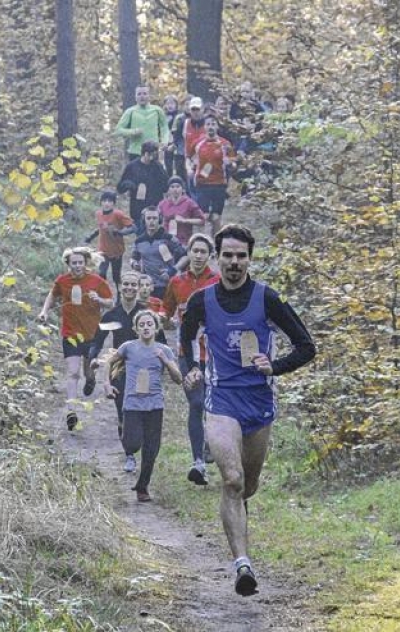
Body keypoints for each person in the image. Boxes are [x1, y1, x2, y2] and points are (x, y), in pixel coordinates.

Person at [180, 224, 315, 596]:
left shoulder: (267, 298)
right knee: (232, 479)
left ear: (249, 259)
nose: (234, 262)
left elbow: (306, 347)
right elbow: (185, 337)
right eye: (228, 255)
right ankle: (243, 565)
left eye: (241, 256)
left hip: (259, 403)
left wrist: (276, 366)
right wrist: (192, 367)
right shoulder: (201, 300)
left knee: (248, 486)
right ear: (217, 258)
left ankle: (237, 521)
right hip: (221, 400)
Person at [101, 309, 182, 502]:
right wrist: (106, 384)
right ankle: (124, 432)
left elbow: (178, 378)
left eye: (149, 324)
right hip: (132, 405)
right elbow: (109, 363)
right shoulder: (129, 347)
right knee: (132, 443)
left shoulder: (164, 350)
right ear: (136, 329)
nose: (146, 328)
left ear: (156, 328)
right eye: (142, 325)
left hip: (155, 405)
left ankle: (142, 487)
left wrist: (165, 361)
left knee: (151, 450)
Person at [162, 233, 220, 485]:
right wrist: (163, 318)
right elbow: (166, 309)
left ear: (210, 256)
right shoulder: (176, 282)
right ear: (188, 253)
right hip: (187, 353)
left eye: (202, 252)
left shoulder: (218, 281)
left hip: (216, 354)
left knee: (213, 406)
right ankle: (198, 462)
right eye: (194, 251)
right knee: (196, 403)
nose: (198, 256)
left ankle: (211, 442)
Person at [38, 246, 115, 431]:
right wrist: (44, 311)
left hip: (91, 334)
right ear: (68, 264)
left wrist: (100, 300)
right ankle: (71, 410)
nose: (78, 266)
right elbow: (52, 295)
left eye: (80, 262)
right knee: (73, 372)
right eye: (74, 263)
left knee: (88, 372)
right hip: (70, 334)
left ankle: (91, 379)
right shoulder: (62, 281)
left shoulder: (97, 280)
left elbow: (111, 302)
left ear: (86, 263)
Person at [87, 272, 145, 455]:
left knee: (140, 409)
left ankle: (139, 445)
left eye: (133, 285)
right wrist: (93, 358)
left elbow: (160, 343)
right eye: (126, 284)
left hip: (142, 370)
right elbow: (98, 340)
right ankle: (129, 454)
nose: (129, 288)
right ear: (120, 287)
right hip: (119, 368)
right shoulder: (112, 315)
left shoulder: (145, 314)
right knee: (123, 410)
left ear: (139, 288)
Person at [188, 115, 236, 235]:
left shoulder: (225, 144)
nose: (210, 127)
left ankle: (215, 244)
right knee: (203, 217)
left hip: (219, 183)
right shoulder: (197, 143)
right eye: (208, 124)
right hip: (202, 184)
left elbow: (233, 163)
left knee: (215, 217)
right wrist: (190, 169)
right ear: (204, 127)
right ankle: (202, 242)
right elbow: (189, 159)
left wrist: (230, 164)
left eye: (213, 124)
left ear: (217, 126)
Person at [131, 206, 188, 300]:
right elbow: (133, 257)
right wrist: (134, 264)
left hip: (167, 285)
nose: (151, 221)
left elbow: (185, 257)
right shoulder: (139, 241)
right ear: (144, 220)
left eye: (154, 218)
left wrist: (173, 270)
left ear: (160, 219)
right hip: (147, 286)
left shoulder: (168, 239)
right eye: (148, 218)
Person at [84, 190, 136, 284]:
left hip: (116, 250)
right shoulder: (99, 214)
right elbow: (100, 228)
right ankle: (104, 293)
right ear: (101, 202)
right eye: (104, 201)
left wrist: (120, 232)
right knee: (101, 273)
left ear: (114, 203)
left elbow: (133, 227)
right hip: (103, 249)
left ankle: (119, 296)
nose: (107, 203)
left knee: (116, 276)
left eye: (110, 201)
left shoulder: (118, 214)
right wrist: (91, 237)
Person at [116, 141, 169, 228]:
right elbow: (120, 188)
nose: (154, 158)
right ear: (146, 154)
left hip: (154, 206)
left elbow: (166, 186)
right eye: (152, 155)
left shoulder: (157, 166)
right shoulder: (132, 167)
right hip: (138, 207)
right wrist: (128, 184)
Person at [113, 85, 171, 162]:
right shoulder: (130, 111)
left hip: (153, 152)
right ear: (135, 97)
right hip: (135, 152)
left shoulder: (157, 110)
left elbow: (164, 127)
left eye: (144, 93)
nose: (142, 96)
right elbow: (117, 130)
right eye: (139, 94)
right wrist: (132, 132)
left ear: (149, 95)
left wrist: (165, 141)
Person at [158, 176, 205, 245]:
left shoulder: (189, 203)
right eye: (172, 187)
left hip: (184, 241)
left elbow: (202, 221)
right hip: (166, 241)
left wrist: (184, 220)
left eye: (178, 186)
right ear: (168, 190)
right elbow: (156, 219)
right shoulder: (162, 204)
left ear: (183, 189)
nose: (175, 189)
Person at [181, 97, 208, 199]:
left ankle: (204, 206)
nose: (196, 112)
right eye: (193, 109)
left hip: (207, 161)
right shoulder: (185, 123)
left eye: (198, 109)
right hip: (190, 160)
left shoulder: (208, 123)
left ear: (202, 109)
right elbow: (179, 139)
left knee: (204, 181)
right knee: (191, 180)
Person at [162, 94, 187, 181]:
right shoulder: (163, 117)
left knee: (179, 165)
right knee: (168, 165)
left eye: (172, 103)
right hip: (166, 143)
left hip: (177, 144)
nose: (170, 106)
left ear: (176, 105)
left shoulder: (180, 117)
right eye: (168, 104)